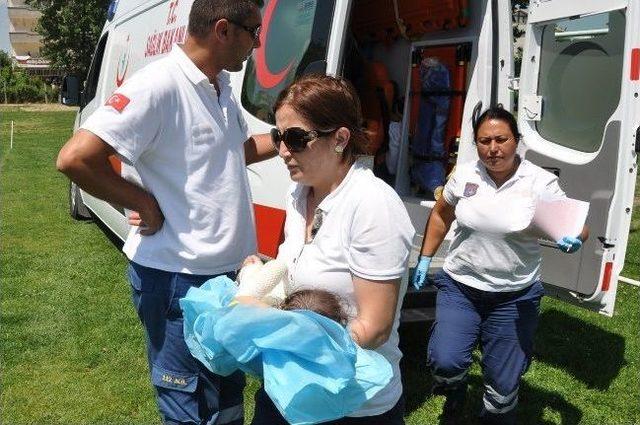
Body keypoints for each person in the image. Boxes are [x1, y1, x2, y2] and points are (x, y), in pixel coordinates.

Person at [56, 1, 275, 423]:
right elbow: (76, 158)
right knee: (190, 406)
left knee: (226, 391)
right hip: (178, 279)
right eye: (254, 31)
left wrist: (286, 138)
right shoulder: (159, 84)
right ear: (224, 30)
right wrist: (140, 202)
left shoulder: (219, 85)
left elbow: (234, 150)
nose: (257, 43)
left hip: (227, 276)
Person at [249, 74, 415, 425]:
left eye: (295, 138)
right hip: (290, 388)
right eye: (278, 136)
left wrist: (282, 340)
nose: (281, 151)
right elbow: (296, 273)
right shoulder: (299, 194)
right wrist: (259, 280)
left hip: (352, 403)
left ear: (340, 138)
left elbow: (374, 328)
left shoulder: (372, 205)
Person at [412, 106, 589, 424]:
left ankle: (493, 413)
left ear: (517, 141)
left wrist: (575, 237)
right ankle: (455, 392)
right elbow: (441, 214)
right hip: (461, 287)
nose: (492, 149)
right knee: (445, 360)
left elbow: (575, 223)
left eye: (501, 139)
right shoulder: (465, 174)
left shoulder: (539, 182)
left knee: (503, 384)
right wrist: (425, 257)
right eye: (484, 141)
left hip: (514, 296)